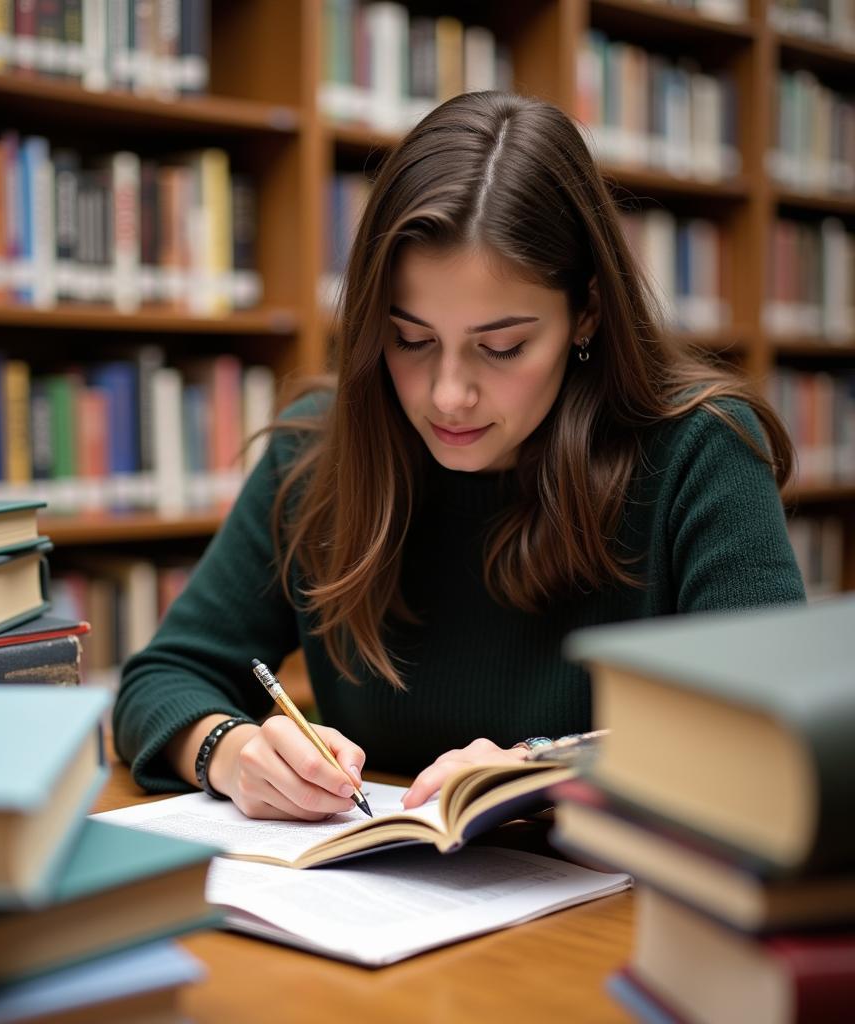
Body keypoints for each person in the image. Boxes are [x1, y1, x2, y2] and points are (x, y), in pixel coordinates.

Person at [113, 91, 805, 821]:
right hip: (382, 909)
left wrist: (547, 767)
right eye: (410, 338)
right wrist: (228, 750)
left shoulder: (700, 453)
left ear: (589, 312)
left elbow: (776, 728)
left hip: (625, 911)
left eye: (501, 347)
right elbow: (163, 676)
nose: (447, 396)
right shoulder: (321, 451)